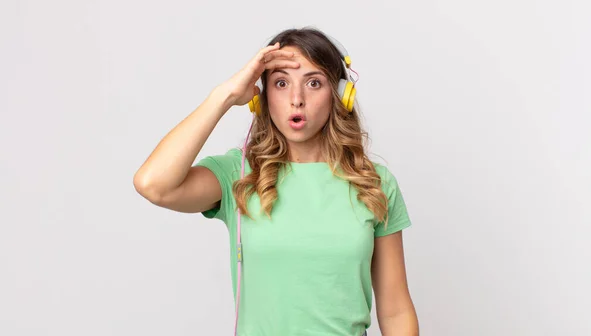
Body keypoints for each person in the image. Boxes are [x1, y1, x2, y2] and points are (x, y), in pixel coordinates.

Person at [134, 26, 419, 336]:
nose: (297, 99)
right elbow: (153, 184)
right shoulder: (238, 174)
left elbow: (396, 311)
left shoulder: (374, 182)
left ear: (340, 95)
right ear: (263, 97)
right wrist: (225, 96)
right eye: (281, 83)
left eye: (314, 82)